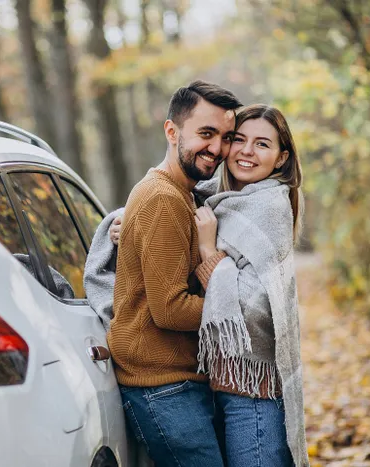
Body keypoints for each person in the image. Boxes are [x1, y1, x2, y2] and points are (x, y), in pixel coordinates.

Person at [95, 104, 310, 467]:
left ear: (281, 158)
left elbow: (248, 307)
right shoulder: (218, 199)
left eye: (262, 144)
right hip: (221, 387)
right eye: (238, 139)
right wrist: (125, 224)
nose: (245, 151)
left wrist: (208, 248)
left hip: (254, 392)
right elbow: (164, 203)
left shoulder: (269, 207)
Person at [86, 80, 241, 467]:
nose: (218, 149)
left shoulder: (182, 193)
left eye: (225, 137)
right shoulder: (163, 199)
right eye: (206, 134)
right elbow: (170, 309)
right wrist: (238, 309)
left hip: (177, 379)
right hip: (162, 386)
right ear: (172, 132)